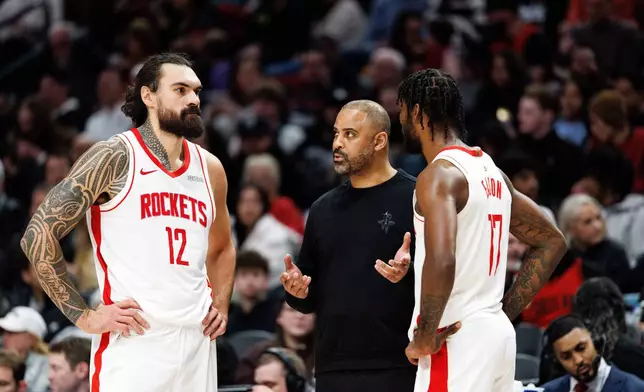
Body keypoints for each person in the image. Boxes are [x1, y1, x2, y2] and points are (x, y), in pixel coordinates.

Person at [20, 52, 236, 392]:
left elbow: (221, 248)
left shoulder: (211, 169)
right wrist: (84, 317)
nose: (194, 98)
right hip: (136, 341)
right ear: (148, 96)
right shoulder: (114, 156)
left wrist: (221, 303)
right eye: (180, 89)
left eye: (196, 90)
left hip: (196, 342)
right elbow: (38, 234)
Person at [397, 69, 567, 391]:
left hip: (457, 338)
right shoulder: (492, 171)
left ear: (417, 113)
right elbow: (551, 241)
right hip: (496, 336)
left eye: (402, 112)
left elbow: (442, 260)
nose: (401, 120)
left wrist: (424, 334)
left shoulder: (438, 176)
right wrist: (502, 311)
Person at [280, 100, 417, 391]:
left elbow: (441, 281)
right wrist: (296, 291)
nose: (337, 144)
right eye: (335, 134)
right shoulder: (322, 208)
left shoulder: (416, 197)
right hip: (333, 366)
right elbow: (307, 295)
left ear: (380, 141)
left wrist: (411, 271)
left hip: (399, 364)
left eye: (350, 134)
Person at [541, 315, 644, 392]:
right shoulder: (547, 390)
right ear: (558, 362)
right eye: (566, 357)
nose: (578, 360)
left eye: (581, 348)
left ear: (596, 342)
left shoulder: (635, 388)